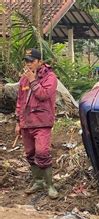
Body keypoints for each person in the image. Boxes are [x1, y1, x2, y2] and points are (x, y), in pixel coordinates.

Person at [15, 48, 58, 199]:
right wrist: (18, 122)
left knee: (42, 152)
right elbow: (20, 102)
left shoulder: (50, 77)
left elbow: (43, 95)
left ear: (40, 62)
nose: (28, 64)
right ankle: (38, 182)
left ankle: (50, 185)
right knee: (30, 154)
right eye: (26, 61)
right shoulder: (23, 79)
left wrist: (33, 80)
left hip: (42, 123)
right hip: (27, 123)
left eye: (32, 61)